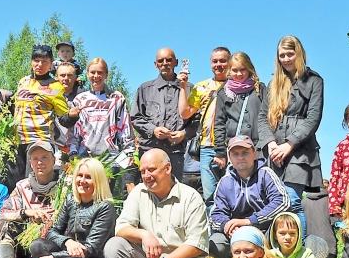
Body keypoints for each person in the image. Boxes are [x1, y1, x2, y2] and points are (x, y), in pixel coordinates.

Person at [29, 158, 117, 258]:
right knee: (37, 246)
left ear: (98, 180)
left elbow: (90, 249)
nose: (82, 181)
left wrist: (53, 257)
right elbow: (52, 232)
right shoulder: (71, 201)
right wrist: (67, 242)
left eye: (88, 177)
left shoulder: (105, 207)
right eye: (80, 175)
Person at [257, 35, 323, 203]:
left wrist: (289, 144)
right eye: (282, 55)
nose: (286, 59)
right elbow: (262, 117)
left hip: (300, 150)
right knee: (272, 202)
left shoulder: (314, 81)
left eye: (290, 54)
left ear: (299, 54)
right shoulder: (273, 84)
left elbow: (313, 118)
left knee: (291, 200)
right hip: (273, 150)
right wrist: (271, 144)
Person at [208, 136, 291, 258]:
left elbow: (282, 202)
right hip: (236, 235)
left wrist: (249, 221)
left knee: (283, 232)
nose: (240, 157)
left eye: (245, 153)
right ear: (229, 157)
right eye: (235, 154)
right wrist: (227, 226)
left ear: (254, 154)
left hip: (266, 233)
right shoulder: (224, 182)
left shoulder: (266, 174)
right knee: (215, 241)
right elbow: (216, 215)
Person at [70, 58, 137, 194]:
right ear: (87, 74)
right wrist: (73, 153)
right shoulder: (80, 99)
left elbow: (124, 128)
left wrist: (128, 155)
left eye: (100, 73)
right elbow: (75, 131)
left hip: (111, 160)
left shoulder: (116, 98)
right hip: (86, 158)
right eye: (92, 72)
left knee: (109, 201)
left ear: (106, 75)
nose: (96, 76)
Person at [10, 45, 69, 185]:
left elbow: (64, 118)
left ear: (51, 63)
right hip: (18, 140)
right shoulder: (23, 81)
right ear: (31, 61)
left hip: (39, 140)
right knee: (15, 182)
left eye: (45, 61)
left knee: (34, 182)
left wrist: (73, 116)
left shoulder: (56, 86)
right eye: (36, 60)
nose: (40, 65)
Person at [178, 47, 230, 202]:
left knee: (233, 193)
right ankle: (214, 225)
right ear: (210, 63)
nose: (218, 64)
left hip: (232, 146)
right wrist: (182, 87)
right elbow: (185, 113)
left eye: (223, 60)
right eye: (215, 61)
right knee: (210, 195)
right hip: (207, 146)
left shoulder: (237, 84)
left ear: (230, 61)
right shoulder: (201, 86)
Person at [132, 48, 189, 182]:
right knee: (150, 191)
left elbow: (197, 120)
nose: (165, 63)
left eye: (169, 60)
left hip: (177, 153)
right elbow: (135, 117)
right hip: (149, 150)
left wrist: (184, 133)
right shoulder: (144, 89)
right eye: (160, 61)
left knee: (176, 192)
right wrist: (153, 130)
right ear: (155, 64)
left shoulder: (188, 88)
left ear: (176, 62)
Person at [213, 52, 266, 167]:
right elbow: (219, 123)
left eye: (243, 69)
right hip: (235, 148)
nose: (239, 74)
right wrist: (220, 152)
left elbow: (268, 116)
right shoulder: (223, 93)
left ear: (249, 69)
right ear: (229, 71)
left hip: (258, 148)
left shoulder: (259, 89)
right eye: (235, 70)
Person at [54, 61, 83, 157]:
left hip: (79, 150)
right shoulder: (48, 97)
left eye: (69, 75)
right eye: (62, 75)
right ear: (56, 77)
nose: (66, 78)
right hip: (55, 149)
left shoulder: (84, 97)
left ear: (75, 78)